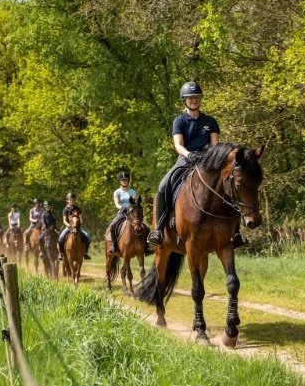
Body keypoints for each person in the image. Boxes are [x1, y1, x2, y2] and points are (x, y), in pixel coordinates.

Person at [148, 81, 247, 248]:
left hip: (208, 162)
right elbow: (178, 145)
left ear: (200, 99)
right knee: (163, 186)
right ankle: (158, 230)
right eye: (190, 97)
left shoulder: (210, 121)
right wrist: (190, 155)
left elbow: (215, 146)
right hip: (186, 159)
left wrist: (208, 157)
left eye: (197, 97)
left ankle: (236, 233)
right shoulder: (179, 121)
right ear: (184, 100)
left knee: (230, 185)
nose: (194, 100)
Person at [105, 171, 137, 256]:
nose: (124, 181)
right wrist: (123, 208)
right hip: (122, 212)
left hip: (132, 213)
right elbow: (116, 204)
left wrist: (132, 208)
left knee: (143, 226)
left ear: (128, 180)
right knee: (112, 226)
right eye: (122, 180)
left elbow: (135, 202)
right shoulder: (117, 192)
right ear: (120, 181)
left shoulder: (133, 191)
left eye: (126, 180)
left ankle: (147, 247)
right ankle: (113, 246)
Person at [58, 192, 92, 261]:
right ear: (67, 200)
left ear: (74, 200)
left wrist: (78, 225)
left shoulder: (77, 209)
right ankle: (61, 253)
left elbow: (81, 219)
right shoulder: (65, 209)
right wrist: (70, 226)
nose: (71, 201)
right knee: (60, 238)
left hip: (78, 227)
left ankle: (85, 253)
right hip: (69, 227)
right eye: (70, 200)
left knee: (88, 237)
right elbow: (64, 220)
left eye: (72, 200)